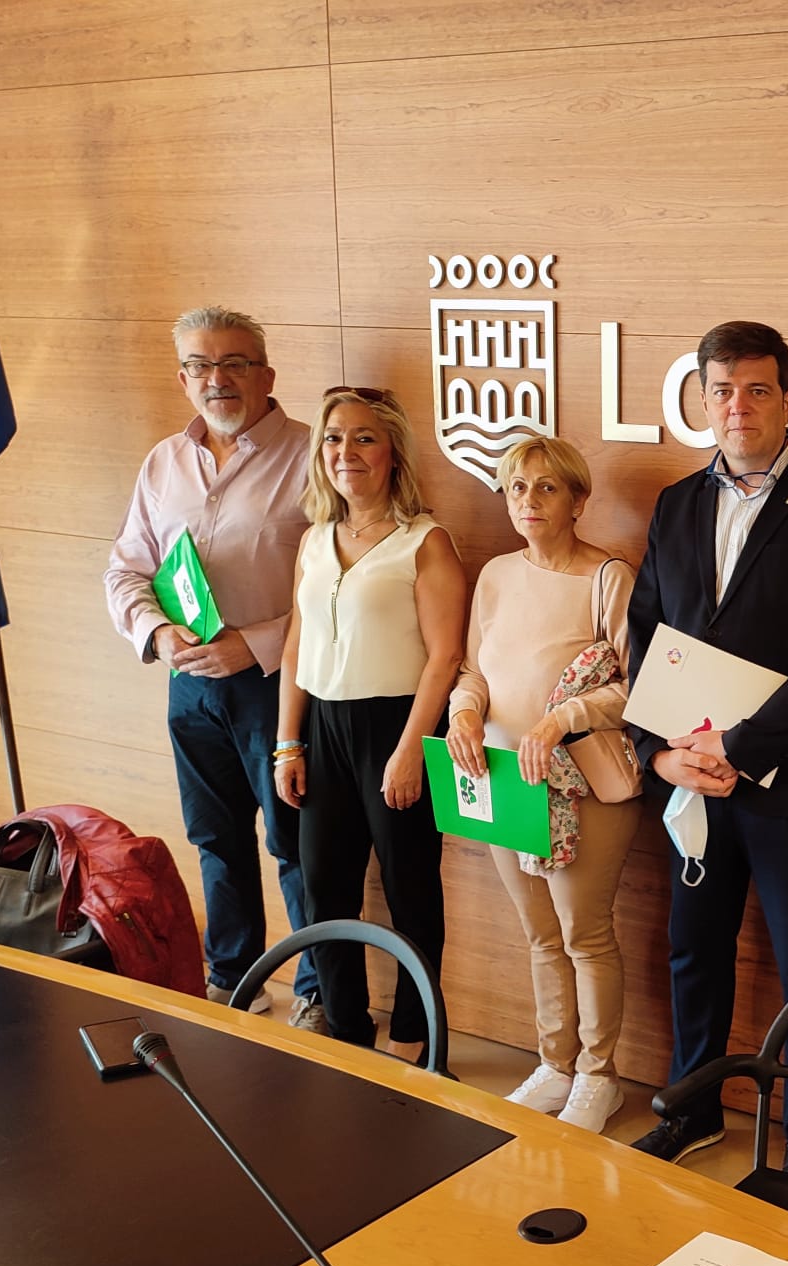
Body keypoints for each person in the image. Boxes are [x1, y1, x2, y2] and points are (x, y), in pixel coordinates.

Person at [626, 321, 788, 1178]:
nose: (738, 407)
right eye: (722, 390)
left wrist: (740, 747)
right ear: (702, 397)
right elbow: (645, 637)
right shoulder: (675, 503)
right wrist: (660, 755)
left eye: (758, 390)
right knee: (693, 949)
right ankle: (693, 1109)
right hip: (689, 780)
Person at [104, 306, 318, 1021]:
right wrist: (158, 634)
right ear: (184, 378)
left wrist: (252, 642)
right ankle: (234, 979)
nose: (216, 380)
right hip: (188, 685)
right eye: (200, 365)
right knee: (214, 840)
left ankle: (319, 990)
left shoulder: (312, 456)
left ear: (266, 374)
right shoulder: (164, 461)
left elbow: (341, 590)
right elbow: (126, 568)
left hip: (278, 686)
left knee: (294, 844)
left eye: (233, 364)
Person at [446, 436, 640, 1134]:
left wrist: (565, 717)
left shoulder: (608, 576)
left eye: (547, 488)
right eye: (518, 487)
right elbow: (472, 672)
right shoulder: (495, 574)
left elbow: (637, 683)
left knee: (584, 934)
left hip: (582, 782)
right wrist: (463, 712)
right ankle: (554, 1063)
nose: (528, 500)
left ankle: (597, 1074)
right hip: (501, 779)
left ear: (578, 501)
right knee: (537, 935)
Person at [274, 388, 465, 1059]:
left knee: (411, 890)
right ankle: (348, 1033)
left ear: (391, 454)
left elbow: (445, 657)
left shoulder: (425, 542)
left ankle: (419, 1040)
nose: (344, 452)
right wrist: (287, 743)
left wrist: (412, 749)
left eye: (362, 438)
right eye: (332, 438)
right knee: (325, 886)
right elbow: (297, 644)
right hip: (321, 726)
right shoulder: (313, 540)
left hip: (397, 726)